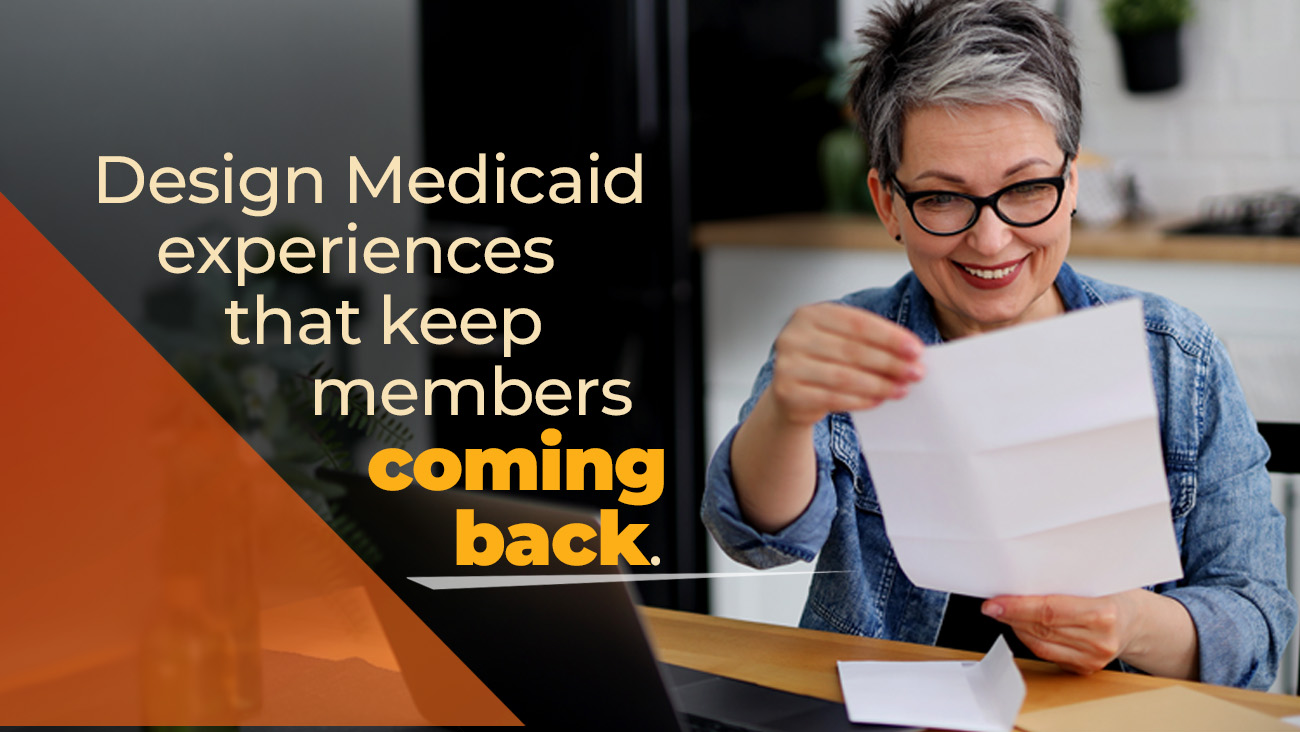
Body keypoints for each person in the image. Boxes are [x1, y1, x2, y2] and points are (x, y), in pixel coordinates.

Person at [701, 0, 1296, 690]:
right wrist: (787, 410)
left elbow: (1257, 624)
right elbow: (756, 540)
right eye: (944, 199)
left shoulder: (1177, 358)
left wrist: (1129, 624)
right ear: (888, 202)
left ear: (1071, 184)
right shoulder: (846, 346)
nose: (990, 240)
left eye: (1026, 189)